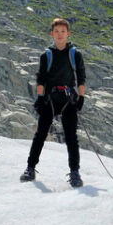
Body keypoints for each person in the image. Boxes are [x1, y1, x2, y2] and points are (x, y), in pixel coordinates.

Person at [21, 18, 87, 187]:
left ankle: (75, 172)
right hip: (50, 99)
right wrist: (40, 98)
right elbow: (41, 79)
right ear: (52, 33)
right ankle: (30, 167)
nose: (59, 35)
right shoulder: (47, 55)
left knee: (71, 137)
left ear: (68, 33)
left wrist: (81, 98)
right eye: (56, 31)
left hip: (68, 99)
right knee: (41, 134)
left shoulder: (75, 54)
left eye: (62, 31)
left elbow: (81, 77)